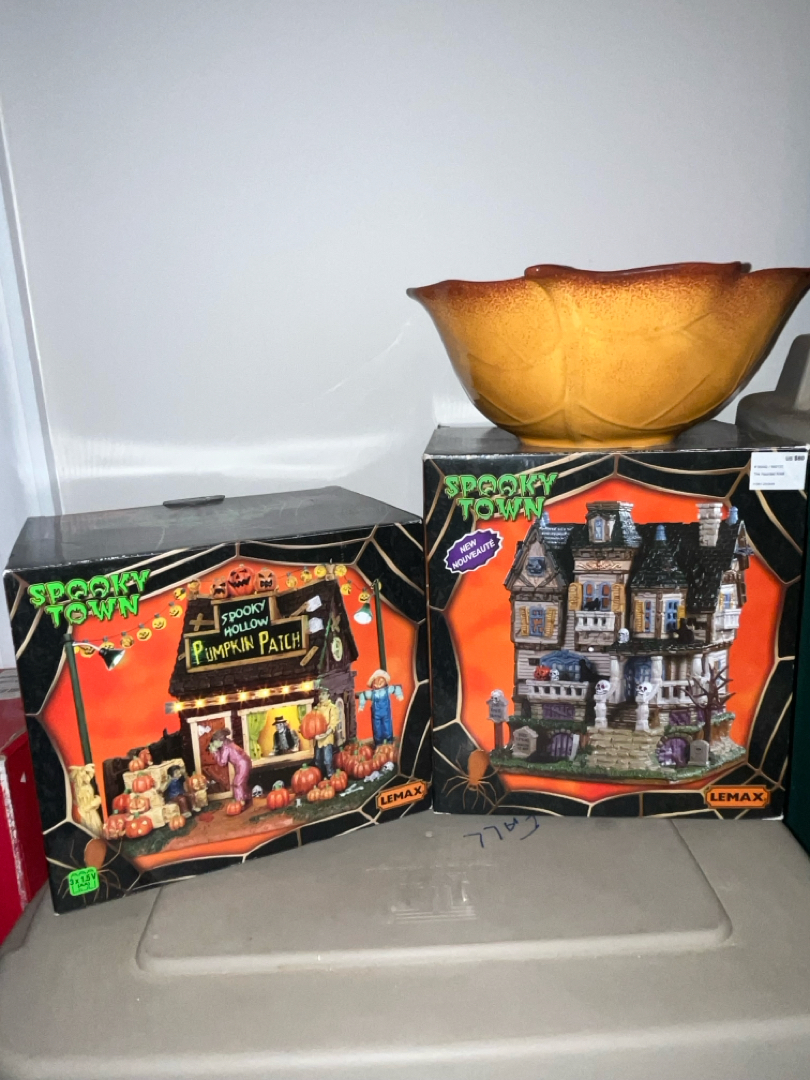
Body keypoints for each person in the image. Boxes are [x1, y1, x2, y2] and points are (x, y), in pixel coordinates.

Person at [208, 728, 252, 812]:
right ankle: (246, 798)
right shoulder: (227, 743)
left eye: (214, 742)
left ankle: (240, 802)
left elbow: (222, 762)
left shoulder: (226, 748)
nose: (213, 744)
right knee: (241, 782)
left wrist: (215, 752)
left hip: (243, 764)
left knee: (238, 783)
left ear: (219, 741)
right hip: (242, 763)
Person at [358, 669, 403, 745]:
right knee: (377, 731)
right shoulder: (372, 693)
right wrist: (361, 705)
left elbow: (396, 688)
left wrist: (399, 695)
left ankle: (389, 743)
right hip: (376, 717)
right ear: (373, 683)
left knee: (387, 729)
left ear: (385, 681)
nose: (379, 682)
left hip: (386, 715)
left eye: (381, 680)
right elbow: (363, 695)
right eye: (377, 680)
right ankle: (378, 745)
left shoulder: (387, 690)